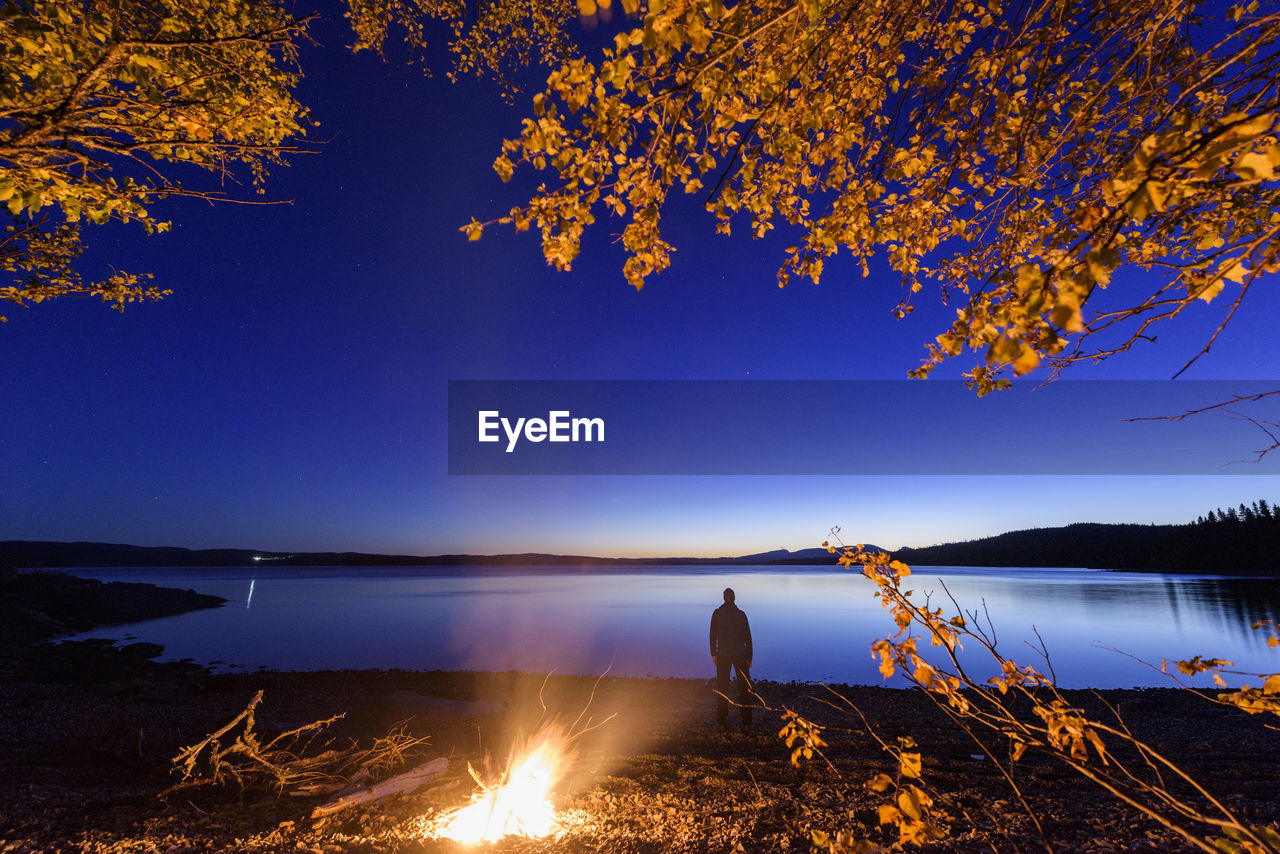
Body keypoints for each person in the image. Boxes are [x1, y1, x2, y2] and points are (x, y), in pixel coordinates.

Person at [709, 587, 753, 732]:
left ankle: (722, 719)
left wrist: (713, 653)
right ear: (734, 598)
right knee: (743, 688)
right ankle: (746, 720)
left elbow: (712, 635)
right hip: (739, 654)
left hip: (723, 655)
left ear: (724, 598)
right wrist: (749, 656)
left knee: (723, 687)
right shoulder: (741, 614)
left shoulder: (717, 614)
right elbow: (748, 637)